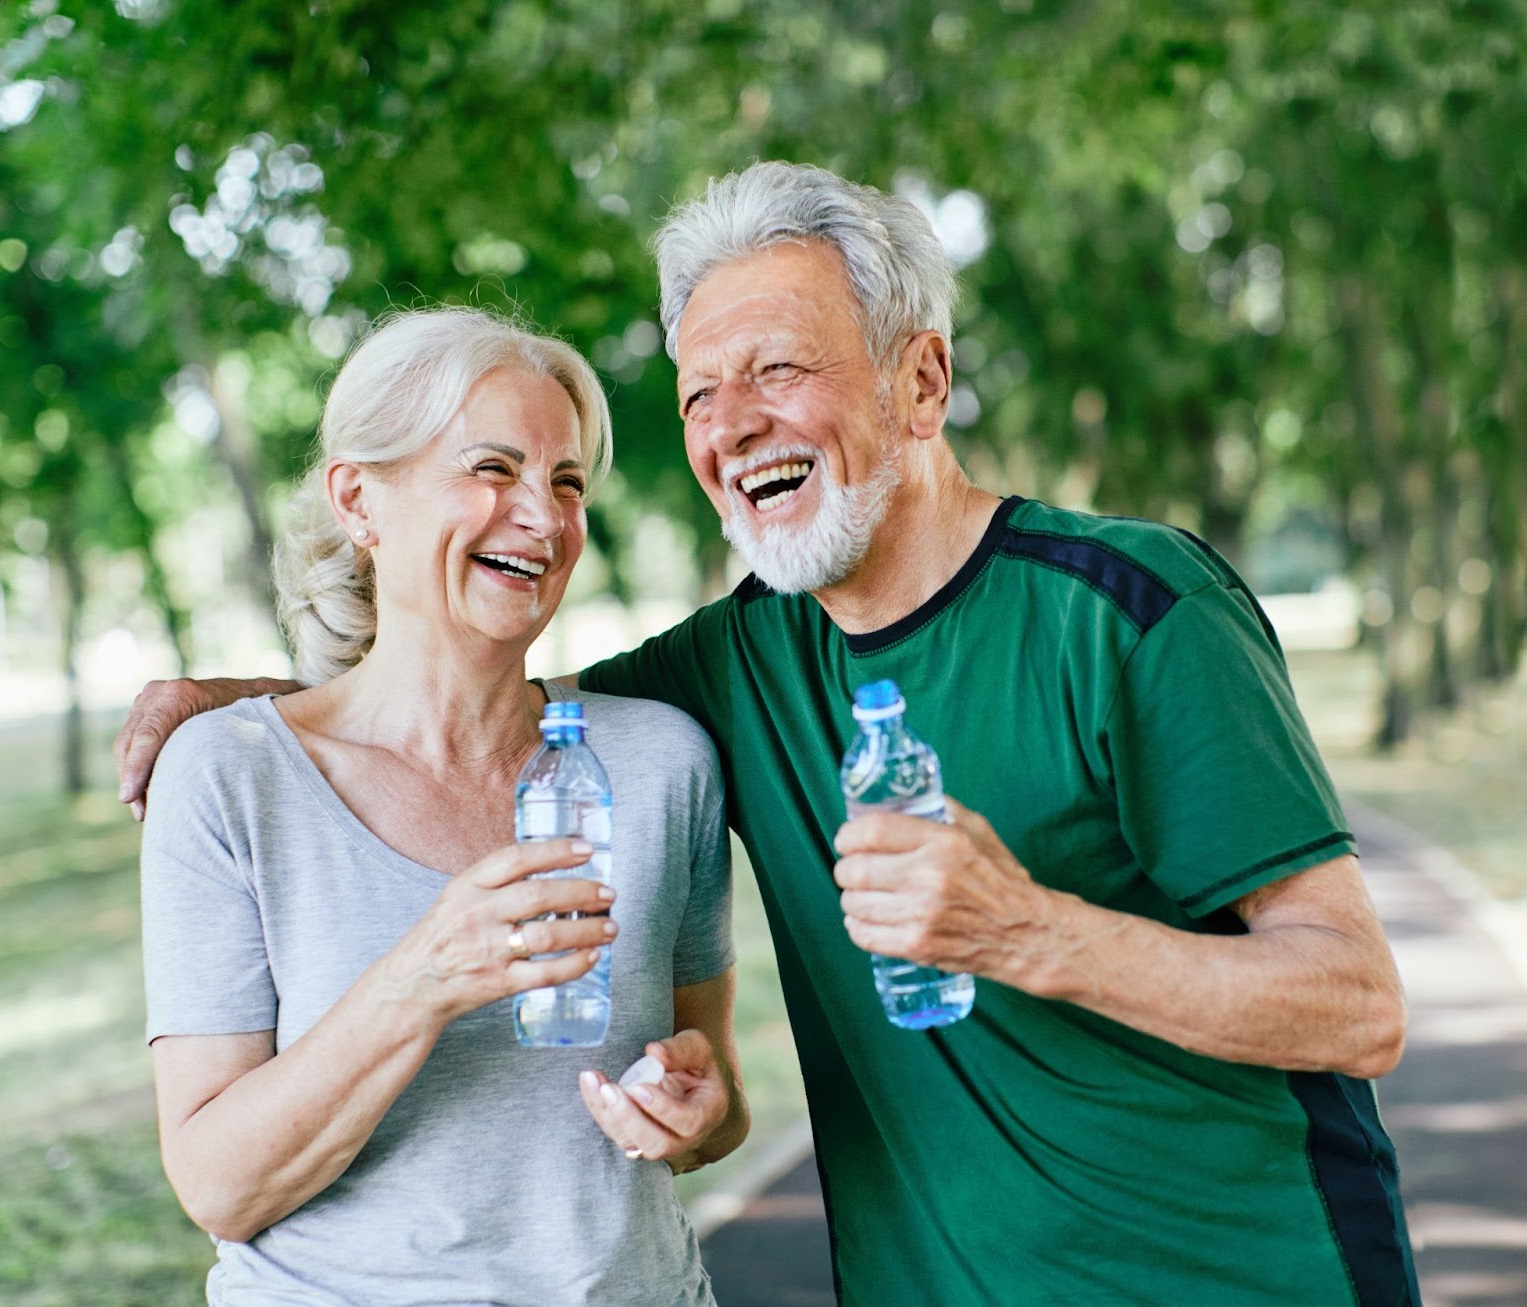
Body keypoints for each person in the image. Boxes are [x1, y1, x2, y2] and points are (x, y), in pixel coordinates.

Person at [119, 164, 1419, 1304]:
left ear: (921, 381)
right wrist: (233, 707)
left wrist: (1032, 931)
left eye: (780, 368)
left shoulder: (1130, 610)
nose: (732, 422)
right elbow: (468, 677)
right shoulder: (733, 665)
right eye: (698, 392)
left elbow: (1355, 1001)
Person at [137, 306, 747, 1306]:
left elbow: (717, 1099)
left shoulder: (659, 760)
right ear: (359, 499)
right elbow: (219, 1185)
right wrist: (420, 980)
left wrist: (700, 1103)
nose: (545, 520)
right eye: (492, 469)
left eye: (566, 482)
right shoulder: (226, 778)